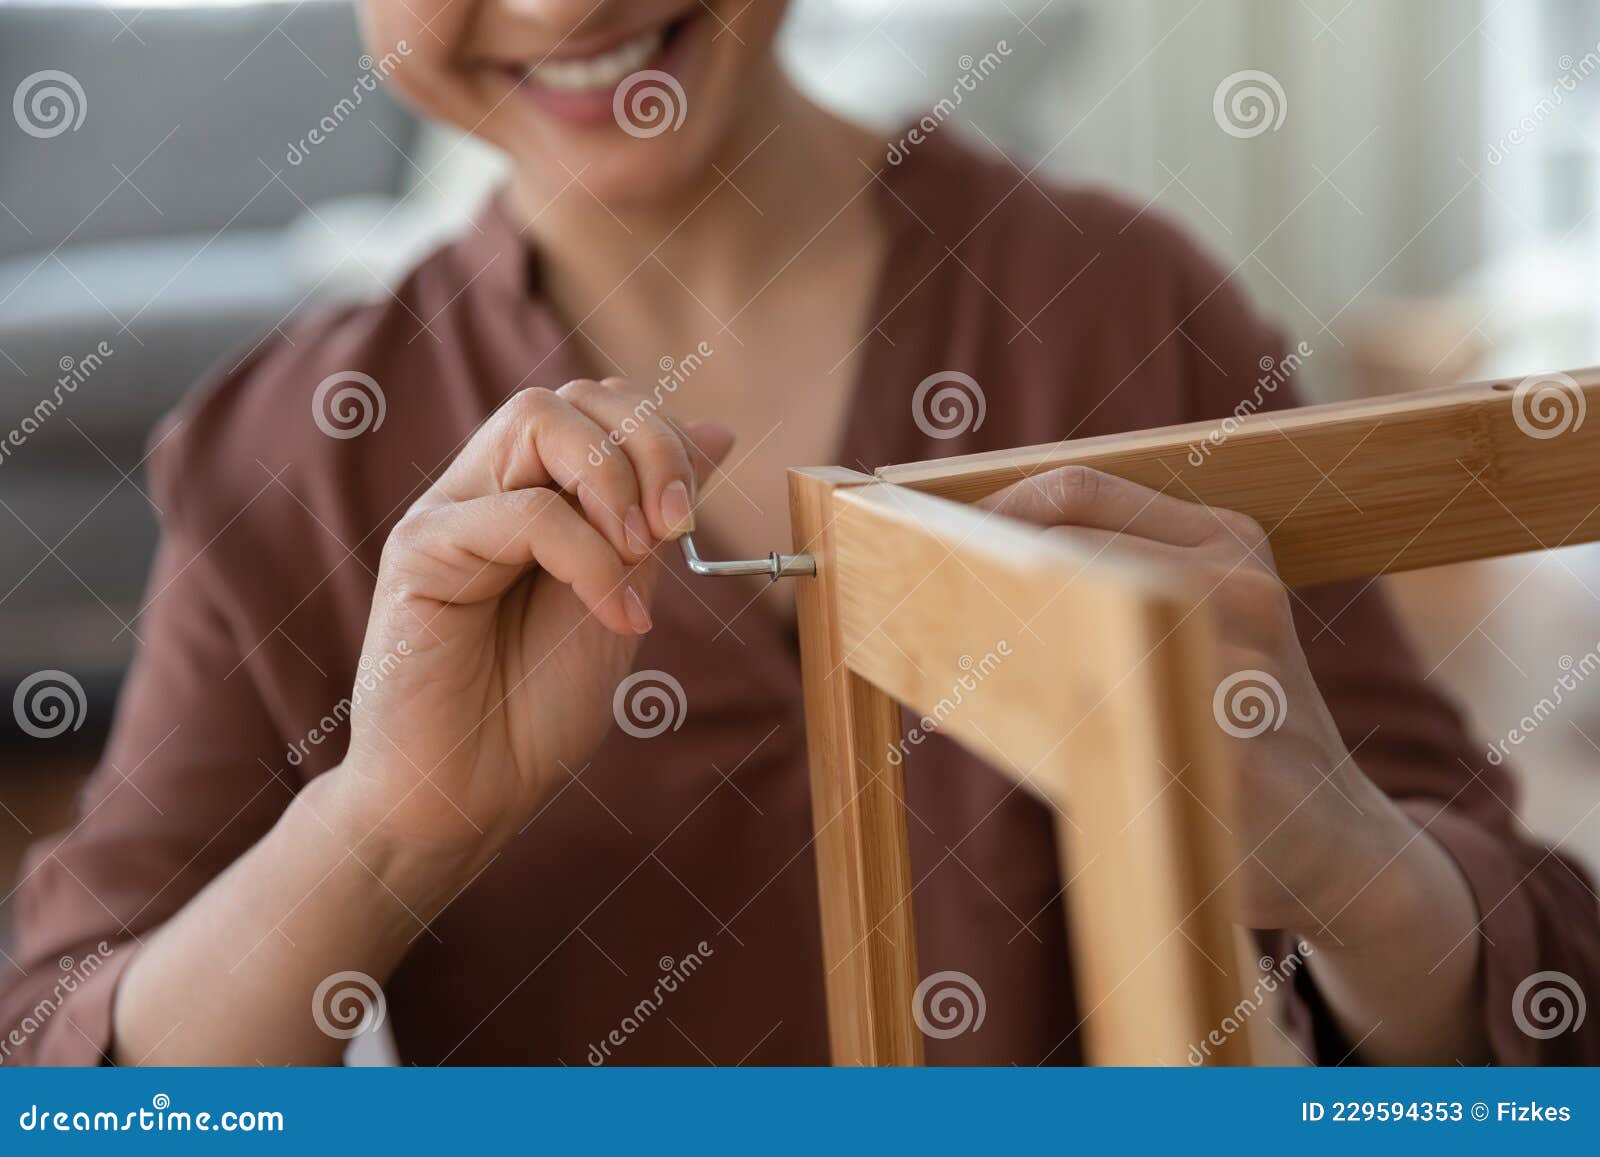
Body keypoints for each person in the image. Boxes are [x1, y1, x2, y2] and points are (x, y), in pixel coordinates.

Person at [3, 0, 1596, 1067]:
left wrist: (1335, 858)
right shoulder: (287, 449)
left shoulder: (1127, 306)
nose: (564, 10)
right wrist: (381, 832)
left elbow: (1535, 1009)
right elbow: (70, 1062)